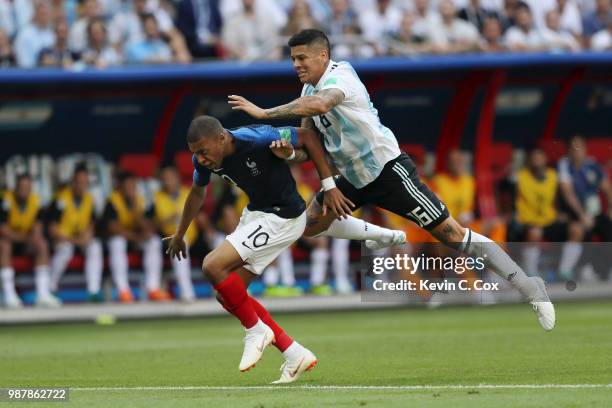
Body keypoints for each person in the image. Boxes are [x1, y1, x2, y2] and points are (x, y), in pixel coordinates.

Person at [228, 29, 555, 331]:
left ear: (322, 56)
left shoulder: (341, 76)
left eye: (301, 58)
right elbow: (313, 147)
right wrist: (289, 156)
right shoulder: (306, 91)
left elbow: (323, 103)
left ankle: (529, 286)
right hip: (352, 178)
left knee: (452, 234)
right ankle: (382, 235)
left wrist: (264, 114)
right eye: (293, 59)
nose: (296, 64)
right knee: (310, 224)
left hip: (389, 171)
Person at [164, 116, 400, 383]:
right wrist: (180, 233)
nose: (200, 159)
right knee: (227, 294)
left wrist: (328, 186)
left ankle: (255, 330)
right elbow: (197, 192)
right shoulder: (203, 158)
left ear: (222, 138)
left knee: (212, 265)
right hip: (257, 214)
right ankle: (293, 352)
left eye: (203, 152)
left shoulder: (258, 138)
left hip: (284, 217)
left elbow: (308, 138)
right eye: (195, 153)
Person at [101, 171, 169, 303]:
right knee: (117, 242)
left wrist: (136, 211)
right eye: (127, 186)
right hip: (117, 239)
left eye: (133, 186)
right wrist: (136, 237)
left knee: (154, 240)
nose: (131, 189)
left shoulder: (140, 201)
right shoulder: (113, 201)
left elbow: (149, 227)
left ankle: (153, 288)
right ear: (120, 188)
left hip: (134, 239)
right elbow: (113, 228)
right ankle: (123, 290)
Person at [0, 174, 61, 308]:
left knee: (42, 244)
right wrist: (22, 237)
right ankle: (9, 295)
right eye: (22, 188)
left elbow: (37, 228)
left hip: (26, 242)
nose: (24, 191)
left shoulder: (36, 202)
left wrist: (31, 237)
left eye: (27, 188)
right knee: (4, 245)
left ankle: (42, 294)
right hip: (9, 242)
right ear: (15, 188)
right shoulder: (6, 200)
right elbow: (3, 229)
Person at [48, 164, 104, 302]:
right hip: (62, 239)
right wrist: (73, 240)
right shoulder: (61, 199)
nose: (82, 185)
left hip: (80, 240)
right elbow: (52, 229)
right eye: (79, 182)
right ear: (73, 182)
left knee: (95, 246)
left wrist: (87, 235)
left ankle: (93, 291)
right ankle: (51, 287)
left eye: (85, 182)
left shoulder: (89, 199)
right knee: (65, 250)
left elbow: (92, 223)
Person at [151, 166, 197, 302]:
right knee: (178, 242)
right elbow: (152, 225)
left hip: (194, 237)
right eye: (164, 179)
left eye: (170, 178)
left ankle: (229, 288)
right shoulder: (156, 197)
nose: (167, 181)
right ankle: (187, 292)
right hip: (168, 238)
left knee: (218, 239)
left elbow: (201, 217)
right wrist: (168, 220)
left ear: (177, 179)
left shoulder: (189, 192)